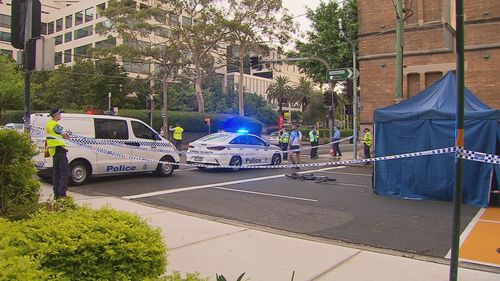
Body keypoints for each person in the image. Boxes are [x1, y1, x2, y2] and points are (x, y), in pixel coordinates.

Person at [46, 108, 70, 199]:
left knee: (56, 173)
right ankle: (62, 194)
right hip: (60, 151)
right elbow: (65, 135)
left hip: (54, 152)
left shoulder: (48, 124)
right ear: (56, 115)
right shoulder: (56, 125)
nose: (61, 115)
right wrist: (66, 136)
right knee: (65, 172)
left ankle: (56, 194)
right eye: (60, 113)